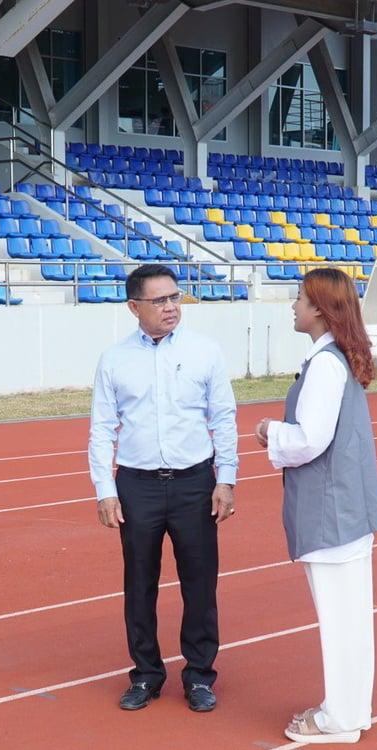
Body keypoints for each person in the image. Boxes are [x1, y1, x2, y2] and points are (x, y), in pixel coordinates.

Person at [88, 264, 239, 713]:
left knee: (200, 583)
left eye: (175, 297)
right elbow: (102, 428)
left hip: (195, 482)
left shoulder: (205, 351)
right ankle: (146, 674)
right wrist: (104, 489)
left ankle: (200, 675)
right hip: (137, 486)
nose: (171, 307)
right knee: (139, 585)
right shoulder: (114, 359)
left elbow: (223, 417)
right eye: (159, 300)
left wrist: (226, 478)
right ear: (134, 307)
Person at [254, 267, 377, 744]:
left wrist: (270, 431)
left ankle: (340, 719)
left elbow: (311, 439)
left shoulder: (326, 366)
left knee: (341, 621)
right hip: (345, 509)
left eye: (299, 298)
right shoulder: (335, 359)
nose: (293, 306)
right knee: (349, 619)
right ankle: (347, 710)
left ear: (319, 308)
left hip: (333, 512)